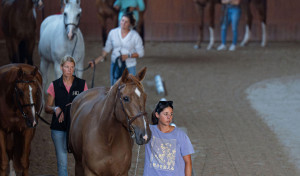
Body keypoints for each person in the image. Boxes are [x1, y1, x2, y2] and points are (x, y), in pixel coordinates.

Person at [45, 56, 88, 176]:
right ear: (61, 68)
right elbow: (47, 107)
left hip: (77, 129)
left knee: (81, 161)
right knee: (63, 164)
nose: (69, 70)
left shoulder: (82, 85)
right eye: (66, 67)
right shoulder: (54, 85)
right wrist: (55, 108)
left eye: (72, 67)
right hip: (59, 128)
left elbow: (87, 105)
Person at [89, 12, 144, 86]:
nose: (123, 23)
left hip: (130, 66)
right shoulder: (112, 33)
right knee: (114, 88)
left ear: (130, 24)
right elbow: (106, 50)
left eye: (126, 21)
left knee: (130, 88)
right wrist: (96, 61)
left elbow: (141, 53)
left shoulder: (135, 36)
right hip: (115, 65)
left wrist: (128, 56)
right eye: (122, 20)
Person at [143, 101, 194, 176]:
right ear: (157, 115)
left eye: (171, 114)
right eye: (166, 114)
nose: (169, 117)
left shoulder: (180, 135)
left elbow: (188, 162)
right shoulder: (148, 131)